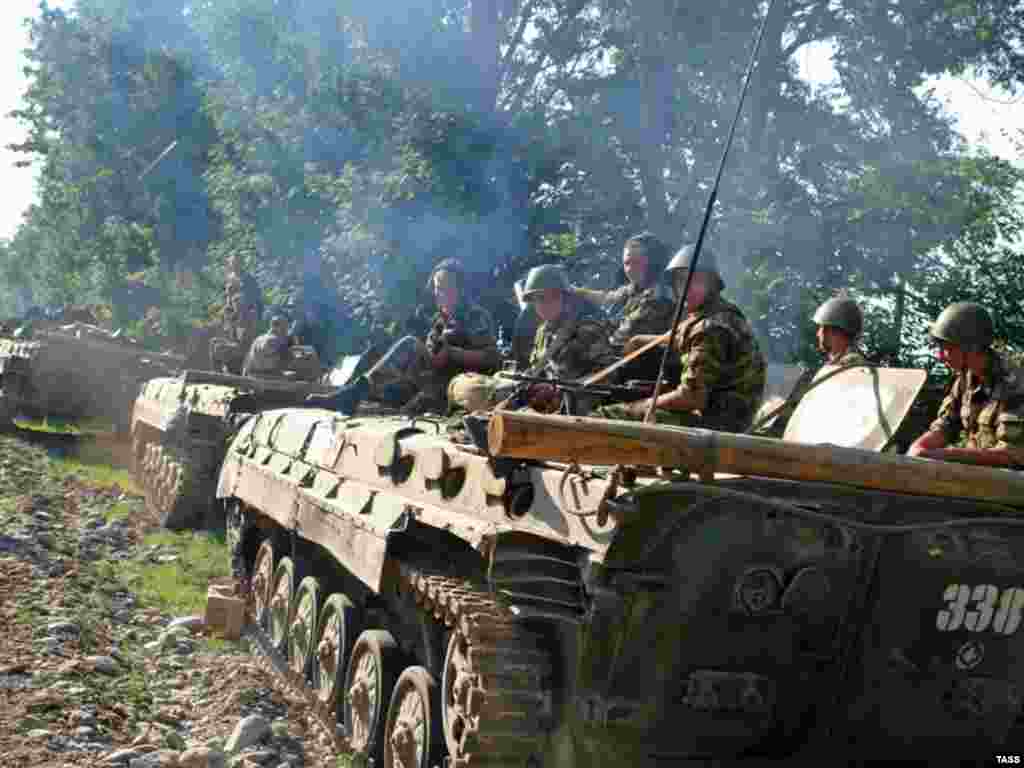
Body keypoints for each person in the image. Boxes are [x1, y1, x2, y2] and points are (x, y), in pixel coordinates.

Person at [595, 243, 766, 432]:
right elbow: (678, 336)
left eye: (696, 281)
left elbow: (691, 397)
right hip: (721, 414)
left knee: (607, 415)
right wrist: (639, 341)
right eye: (680, 281)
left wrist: (643, 405)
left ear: (712, 285)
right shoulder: (714, 313)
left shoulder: (711, 327)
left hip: (718, 424)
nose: (687, 288)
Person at [308, 258, 499, 415]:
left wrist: (453, 353)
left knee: (409, 344)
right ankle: (353, 394)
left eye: (443, 287)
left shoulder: (475, 316)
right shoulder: (439, 321)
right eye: (436, 287)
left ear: (460, 289)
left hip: (460, 386)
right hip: (430, 380)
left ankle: (351, 396)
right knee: (388, 379)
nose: (437, 293)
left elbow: (491, 357)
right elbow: (431, 358)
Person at [448, 264, 619, 414]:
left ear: (565, 299)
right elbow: (536, 371)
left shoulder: (587, 330)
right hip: (542, 401)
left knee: (482, 395)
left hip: (573, 405)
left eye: (552, 297)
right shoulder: (543, 331)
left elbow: (608, 375)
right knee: (468, 385)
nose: (545, 304)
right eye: (539, 299)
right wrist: (521, 380)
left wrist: (560, 390)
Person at [907, 302, 1024, 468]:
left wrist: (941, 455)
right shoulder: (965, 379)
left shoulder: (1016, 384)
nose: (940, 356)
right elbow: (945, 426)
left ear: (971, 347)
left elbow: (1011, 456)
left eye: (947, 348)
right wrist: (918, 448)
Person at [571, 232, 676, 380]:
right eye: (627, 263)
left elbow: (622, 338)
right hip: (619, 357)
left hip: (635, 366)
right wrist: (575, 291)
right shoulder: (636, 288)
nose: (630, 269)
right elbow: (608, 298)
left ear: (653, 263)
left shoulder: (659, 297)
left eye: (637, 262)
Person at [812, 295, 867, 367]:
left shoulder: (850, 365)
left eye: (822, 328)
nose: (818, 334)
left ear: (836, 332)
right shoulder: (839, 363)